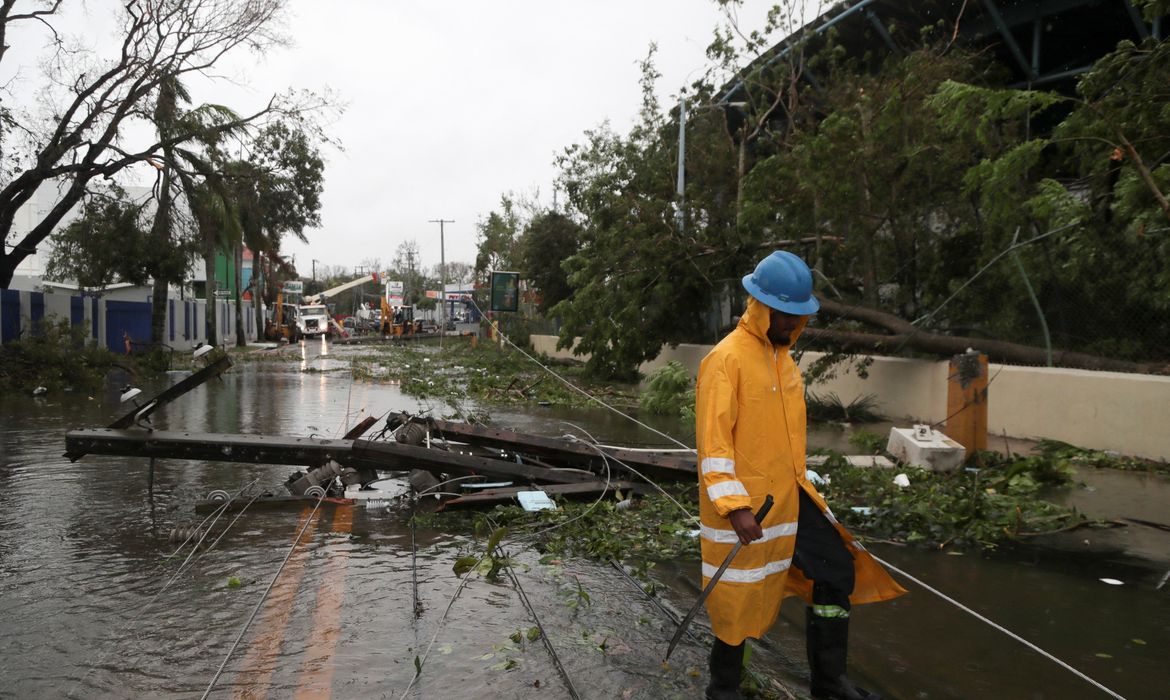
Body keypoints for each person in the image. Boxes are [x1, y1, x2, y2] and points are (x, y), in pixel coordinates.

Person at [694, 250, 906, 700]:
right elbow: (713, 446)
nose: (793, 325)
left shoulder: (784, 362)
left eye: (798, 317)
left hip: (789, 498)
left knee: (834, 570)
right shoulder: (725, 359)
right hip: (745, 508)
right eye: (786, 315)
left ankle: (829, 684)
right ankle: (723, 689)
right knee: (737, 596)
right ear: (762, 307)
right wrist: (735, 507)